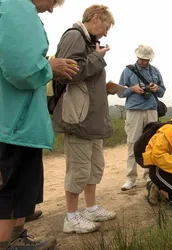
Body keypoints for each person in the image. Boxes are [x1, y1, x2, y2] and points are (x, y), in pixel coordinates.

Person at [0, 0, 79, 249]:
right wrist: (49, 67)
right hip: (13, 121)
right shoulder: (16, 7)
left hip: (15, 121)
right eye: (54, 0)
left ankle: (16, 238)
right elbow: (22, 70)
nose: (52, 7)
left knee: (18, 187)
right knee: (8, 187)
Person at [52, 4, 116, 234]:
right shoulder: (74, 36)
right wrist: (97, 58)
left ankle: (90, 208)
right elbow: (67, 73)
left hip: (92, 119)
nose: (106, 33)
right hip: (78, 118)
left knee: (94, 166)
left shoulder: (88, 41)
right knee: (78, 169)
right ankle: (71, 217)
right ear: (96, 18)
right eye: (106, 26)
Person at [118, 45, 166, 191]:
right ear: (137, 57)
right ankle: (130, 178)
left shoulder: (155, 71)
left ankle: (149, 174)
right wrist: (132, 89)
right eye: (142, 59)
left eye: (146, 59)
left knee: (152, 142)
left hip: (151, 110)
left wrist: (155, 88)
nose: (144, 62)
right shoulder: (128, 71)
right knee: (133, 143)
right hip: (134, 110)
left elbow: (162, 91)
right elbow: (119, 92)